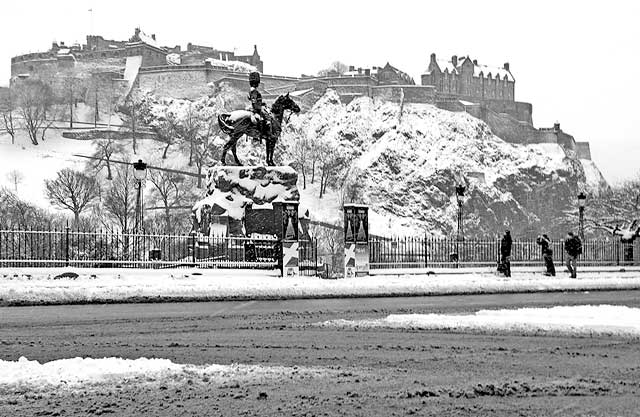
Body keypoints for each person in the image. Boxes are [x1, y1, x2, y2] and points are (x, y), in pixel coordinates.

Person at [247, 71, 271, 139]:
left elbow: (255, 100)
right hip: (256, 108)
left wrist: (262, 103)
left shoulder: (252, 90)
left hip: (256, 106)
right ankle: (264, 133)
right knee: (267, 117)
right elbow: (254, 100)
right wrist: (258, 108)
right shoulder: (254, 91)